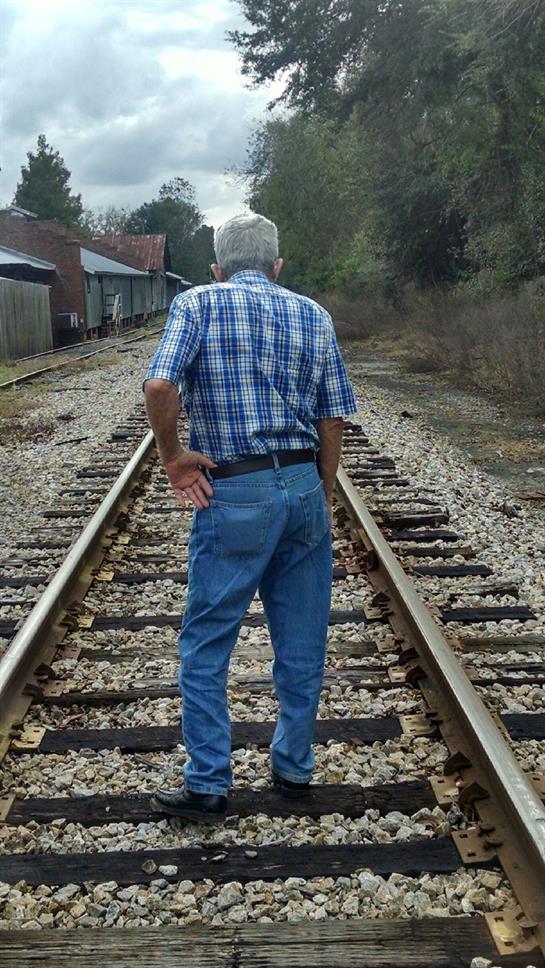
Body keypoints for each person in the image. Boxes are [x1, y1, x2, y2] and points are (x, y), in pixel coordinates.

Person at [143, 213, 357, 823]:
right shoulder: (313, 314)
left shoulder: (198, 303)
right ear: (276, 267)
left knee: (208, 641)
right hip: (301, 483)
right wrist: (319, 488)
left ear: (217, 267)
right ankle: (293, 768)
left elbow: (161, 387)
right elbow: (333, 418)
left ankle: (209, 781)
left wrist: (174, 459)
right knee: (302, 636)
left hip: (233, 491)